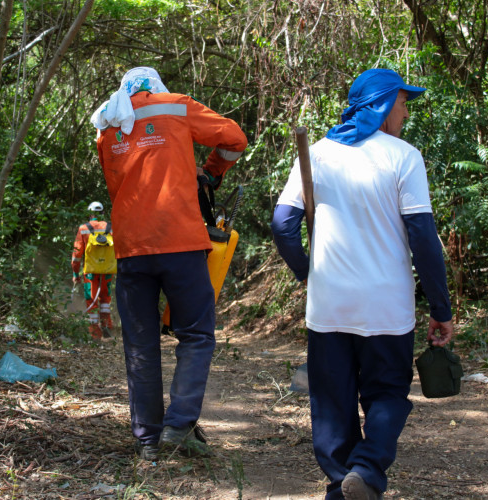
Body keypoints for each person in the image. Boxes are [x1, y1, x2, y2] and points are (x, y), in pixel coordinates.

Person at [271, 69, 454, 500]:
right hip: (386, 307)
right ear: (386, 104)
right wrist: (441, 309)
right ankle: (368, 470)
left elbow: (282, 225)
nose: (406, 113)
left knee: (332, 403)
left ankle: (343, 486)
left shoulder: (315, 154)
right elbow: (424, 239)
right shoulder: (403, 157)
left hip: (329, 305)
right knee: (388, 394)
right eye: (404, 103)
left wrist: (307, 272)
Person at [91, 67, 247, 459]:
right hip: (181, 243)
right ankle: (178, 426)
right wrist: (209, 172)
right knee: (196, 335)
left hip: (131, 249)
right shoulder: (177, 107)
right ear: (156, 85)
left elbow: (116, 186)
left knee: (140, 345)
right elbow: (235, 140)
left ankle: (148, 442)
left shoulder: (108, 125)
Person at [71, 201, 114, 341]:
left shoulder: (84, 228)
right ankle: (107, 327)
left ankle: (95, 334)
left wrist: (75, 273)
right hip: (107, 270)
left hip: (90, 271)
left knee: (91, 300)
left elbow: (77, 255)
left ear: (90, 214)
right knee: (105, 300)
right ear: (102, 213)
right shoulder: (110, 227)